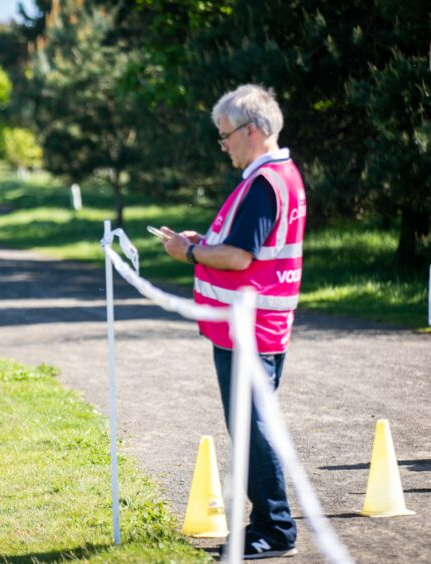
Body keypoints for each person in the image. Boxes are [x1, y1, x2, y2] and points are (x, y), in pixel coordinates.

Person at [160, 84, 305, 559]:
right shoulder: (277, 175)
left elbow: (240, 257)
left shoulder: (264, 182)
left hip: (250, 329)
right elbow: (247, 245)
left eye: (225, 135)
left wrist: (192, 252)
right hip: (257, 325)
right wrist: (205, 241)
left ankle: (273, 528)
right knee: (251, 425)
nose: (222, 145)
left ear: (252, 131)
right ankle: (265, 522)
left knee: (251, 427)